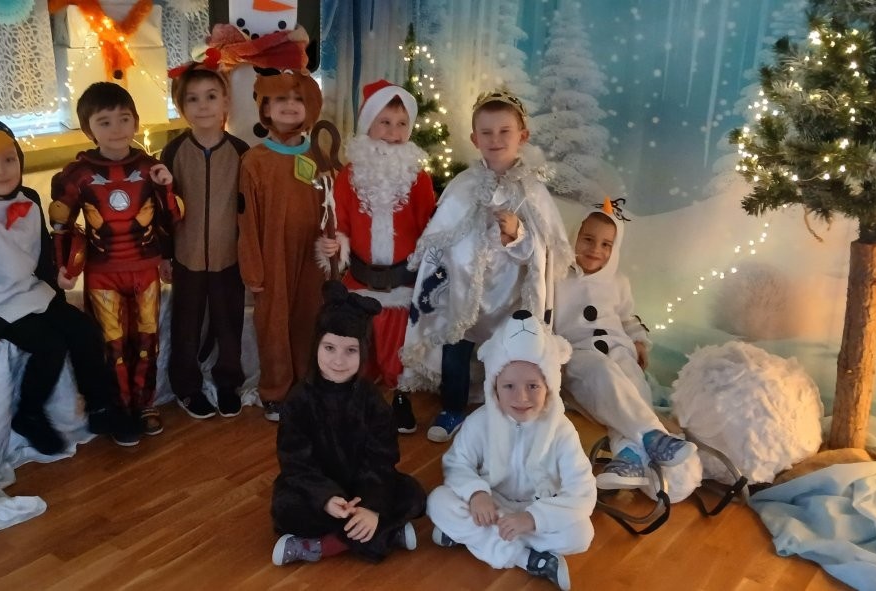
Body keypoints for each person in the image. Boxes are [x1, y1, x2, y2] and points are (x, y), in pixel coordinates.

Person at [0, 117, 138, 453]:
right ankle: (29, 413)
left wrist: (57, 282)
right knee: (49, 345)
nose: (1, 171)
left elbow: (43, 251)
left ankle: (101, 406)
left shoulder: (31, 198)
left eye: (9, 159)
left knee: (84, 330)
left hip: (34, 291)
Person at [402, 89, 572, 442]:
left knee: (508, 355)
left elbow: (541, 253)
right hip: (466, 292)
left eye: (504, 131)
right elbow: (443, 237)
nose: (495, 139)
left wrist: (516, 233)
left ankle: (505, 410)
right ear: (474, 139)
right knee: (457, 349)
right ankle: (452, 408)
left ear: (522, 136)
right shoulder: (462, 186)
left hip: (510, 298)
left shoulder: (532, 191)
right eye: (487, 132)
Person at [425, 310, 594, 591]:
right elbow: (457, 463)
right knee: (438, 501)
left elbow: (582, 491)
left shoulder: (562, 431)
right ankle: (527, 558)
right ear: (494, 388)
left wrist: (533, 518)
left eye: (533, 386)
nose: (521, 397)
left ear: (550, 386)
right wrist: (476, 494)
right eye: (509, 386)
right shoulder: (480, 422)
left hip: (536, 508)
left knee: (581, 533)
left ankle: (471, 537)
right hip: (491, 505)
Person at [50, 82, 182, 436]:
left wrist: (167, 187)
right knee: (112, 344)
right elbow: (61, 223)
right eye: (104, 121)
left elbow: (171, 219)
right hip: (102, 274)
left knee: (147, 339)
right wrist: (63, 266)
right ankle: (120, 408)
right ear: (87, 129)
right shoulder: (76, 174)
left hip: (145, 270)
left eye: (124, 118)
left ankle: (145, 402)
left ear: (136, 122)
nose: (117, 128)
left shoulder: (151, 167)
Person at [270, 281, 426, 566]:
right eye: (329, 348)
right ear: (316, 346)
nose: (338, 361)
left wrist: (370, 506)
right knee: (286, 507)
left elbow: (382, 459)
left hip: (364, 486)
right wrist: (327, 498)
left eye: (350, 351)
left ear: (363, 352)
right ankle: (383, 534)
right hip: (318, 490)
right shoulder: (298, 400)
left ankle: (325, 544)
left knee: (413, 495)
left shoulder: (372, 401)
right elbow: (295, 463)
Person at [314, 79, 436, 435]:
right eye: (384, 123)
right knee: (362, 342)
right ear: (368, 124)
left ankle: (399, 398)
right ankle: (359, 398)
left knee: (398, 347)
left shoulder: (419, 179)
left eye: (401, 124)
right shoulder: (349, 176)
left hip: (402, 281)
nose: (393, 133)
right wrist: (335, 244)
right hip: (361, 279)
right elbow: (341, 223)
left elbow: (428, 226)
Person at [555, 199, 697, 489]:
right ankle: (653, 435)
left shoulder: (618, 281)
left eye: (606, 244)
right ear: (573, 236)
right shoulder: (556, 277)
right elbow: (545, 318)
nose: (596, 249)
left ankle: (631, 457)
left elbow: (627, 317)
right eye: (588, 239)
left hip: (618, 348)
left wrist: (638, 340)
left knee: (632, 387)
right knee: (603, 374)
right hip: (577, 353)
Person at [237, 69, 327, 422]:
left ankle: (305, 385)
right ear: (265, 107)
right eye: (281, 99)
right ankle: (275, 391)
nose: (290, 105)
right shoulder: (255, 161)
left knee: (308, 317)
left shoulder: (319, 155)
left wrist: (333, 247)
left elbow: (330, 205)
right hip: (272, 256)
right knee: (273, 322)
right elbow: (246, 219)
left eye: (299, 99)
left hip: (312, 257)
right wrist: (253, 267)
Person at [161, 62, 249, 419]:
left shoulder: (242, 152)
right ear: (181, 107)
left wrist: (250, 253)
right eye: (193, 99)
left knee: (229, 323)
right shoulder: (173, 152)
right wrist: (165, 255)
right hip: (188, 257)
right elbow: (164, 209)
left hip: (230, 257)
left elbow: (248, 210)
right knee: (186, 325)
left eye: (211, 96)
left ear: (225, 101)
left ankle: (228, 382)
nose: (203, 106)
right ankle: (186, 386)